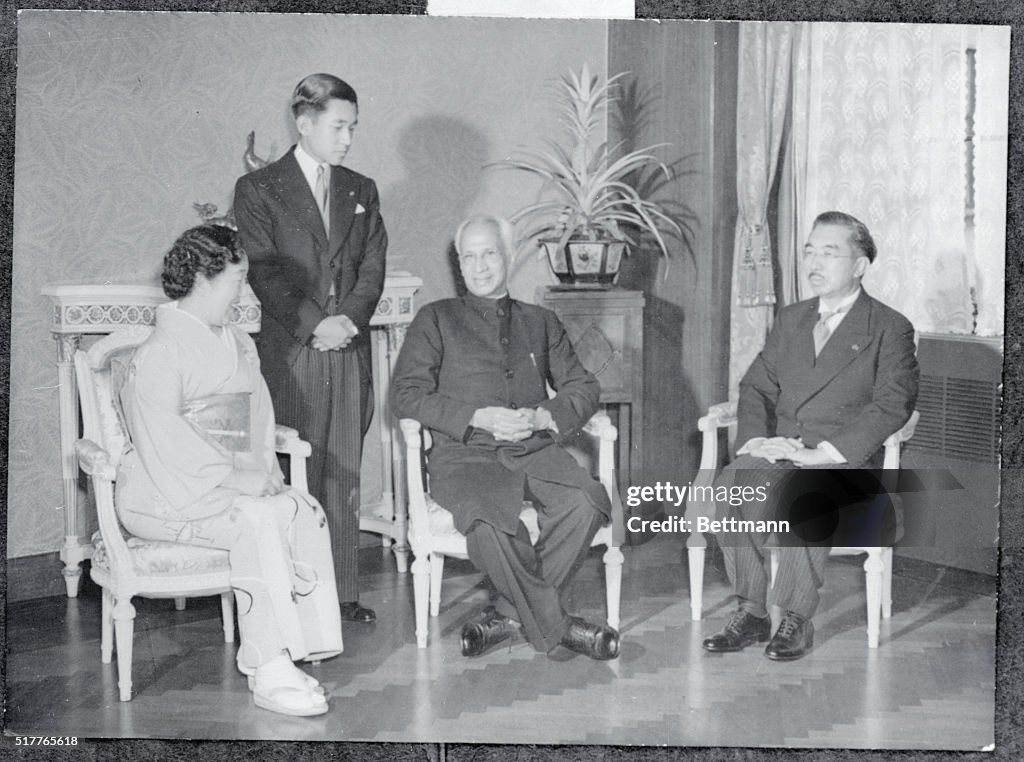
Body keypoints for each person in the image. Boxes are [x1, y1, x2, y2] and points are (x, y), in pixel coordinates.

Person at [116, 225, 343, 716]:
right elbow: (163, 437)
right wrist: (241, 481)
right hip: (161, 490)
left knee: (301, 508)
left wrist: (263, 474)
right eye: (237, 280)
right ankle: (267, 666)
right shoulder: (160, 351)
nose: (243, 292)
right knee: (256, 521)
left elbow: (257, 415)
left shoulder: (236, 340)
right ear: (203, 277)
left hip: (223, 482)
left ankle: (298, 647)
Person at [391, 215, 619, 660]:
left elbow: (584, 387)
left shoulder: (541, 321)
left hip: (535, 450)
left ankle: (510, 614)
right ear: (459, 264)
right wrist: (476, 416)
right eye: (468, 257)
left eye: (489, 253)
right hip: (465, 458)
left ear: (509, 258)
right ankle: (559, 626)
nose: (478, 267)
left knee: (587, 500)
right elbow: (405, 395)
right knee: (492, 526)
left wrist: (542, 417)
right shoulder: (435, 319)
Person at [702, 210, 919, 661]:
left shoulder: (889, 327)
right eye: (810, 251)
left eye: (830, 252)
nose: (815, 262)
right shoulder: (791, 319)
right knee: (729, 486)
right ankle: (753, 610)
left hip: (844, 462)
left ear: (860, 265)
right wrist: (758, 441)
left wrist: (826, 453)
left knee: (807, 493)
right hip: (781, 451)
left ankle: (796, 619)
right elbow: (757, 386)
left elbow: (892, 405)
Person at [234, 73, 387, 625]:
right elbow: (265, 274)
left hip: (347, 346)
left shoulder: (361, 189)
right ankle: (292, 593)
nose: (347, 138)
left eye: (353, 127)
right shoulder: (259, 190)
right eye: (338, 126)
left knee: (342, 469)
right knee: (296, 470)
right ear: (305, 123)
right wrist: (316, 325)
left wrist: (347, 321)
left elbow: (372, 268)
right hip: (295, 349)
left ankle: (341, 594)